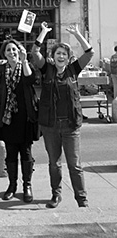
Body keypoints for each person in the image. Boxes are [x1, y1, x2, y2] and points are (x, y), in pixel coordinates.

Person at [31, 22, 94, 208]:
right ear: (53, 56)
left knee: (74, 165)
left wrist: (76, 34)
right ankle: (56, 195)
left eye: (64, 54)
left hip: (70, 125)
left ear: (68, 58)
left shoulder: (73, 70)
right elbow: (35, 52)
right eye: (58, 53)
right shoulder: (47, 70)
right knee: (54, 163)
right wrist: (42, 32)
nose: (60, 56)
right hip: (50, 125)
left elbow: (89, 53)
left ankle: (81, 199)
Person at [0, 39, 39, 203]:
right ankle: (12, 186)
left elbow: (30, 80)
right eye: (8, 50)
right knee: (11, 153)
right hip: (8, 117)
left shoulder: (25, 67)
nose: (11, 53)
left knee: (26, 152)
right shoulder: (0, 70)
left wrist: (24, 60)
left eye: (14, 50)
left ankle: (27, 185)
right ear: (3, 54)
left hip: (25, 116)